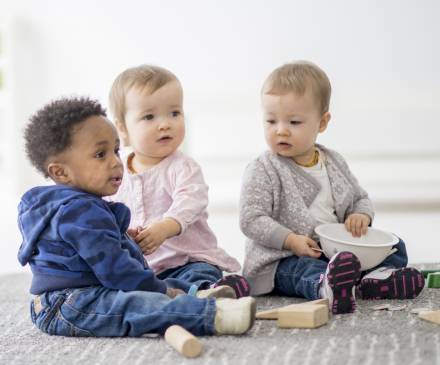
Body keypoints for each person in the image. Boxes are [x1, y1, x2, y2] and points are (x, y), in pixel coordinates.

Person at [17, 96, 256, 337]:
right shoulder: (79, 211)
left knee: (156, 283)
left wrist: (122, 239)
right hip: (71, 305)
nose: (116, 162)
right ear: (60, 171)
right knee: (136, 305)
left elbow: (89, 253)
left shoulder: (67, 206)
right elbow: (117, 271)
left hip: (79, 294)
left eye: (116, 150)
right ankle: (213, 314)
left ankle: (198, 293)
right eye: (100, 154)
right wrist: (159, 291)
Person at [239, 61, 424, 314]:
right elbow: (251, 219)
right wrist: (291, 241)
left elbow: (360, 197)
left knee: (395, 245)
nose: (281, 130)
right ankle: (326, 286)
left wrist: (361, 216)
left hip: (333, 251)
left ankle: (376, 280)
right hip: (283, 258)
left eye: (294, 122)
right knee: (304, 269)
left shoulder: (333, 161)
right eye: (271, 121)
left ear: (322, 122)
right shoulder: (263, 168)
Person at [107, 65, 249, 299]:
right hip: (142, 266)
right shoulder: (114, 169)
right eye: (149, 116)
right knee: (119, 283)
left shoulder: (182, 167)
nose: (165, 124)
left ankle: (207, 292)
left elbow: (190, 201)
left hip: (186, 259)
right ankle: (172, 294)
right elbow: (104, 208)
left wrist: (164, 227)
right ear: (122, 128)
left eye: (174, 113)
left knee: (201, 271)